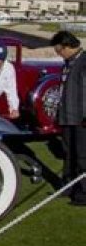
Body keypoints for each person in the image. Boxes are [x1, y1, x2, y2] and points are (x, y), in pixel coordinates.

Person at [50, 30, 86, 206]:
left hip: (81, 118)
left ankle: (83, 193)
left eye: (59, 51)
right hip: (67, 116)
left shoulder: (84, 62)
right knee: (68, 154)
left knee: (82, 156)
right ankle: (68, 187)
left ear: (67, 46)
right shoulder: (67, 64)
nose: (59, 54)